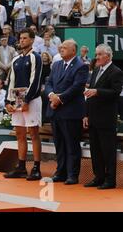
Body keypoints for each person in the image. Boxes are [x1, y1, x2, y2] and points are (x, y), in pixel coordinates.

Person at [45, 40, 89, 185]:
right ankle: (60, 172)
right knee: (59, 144)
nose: (61, 49)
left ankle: (72, 174)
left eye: (64, 48)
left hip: (71, 112)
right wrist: (52, 96)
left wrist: (60, 99)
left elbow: (77, 87)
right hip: (55, 110)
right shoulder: (56, 64)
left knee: (71, 144)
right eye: (61, 47)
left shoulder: (81, 66)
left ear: (73, 51)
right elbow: (49, 83)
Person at [4, 28, 43, 181]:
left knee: (33, 133)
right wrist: (8, 101)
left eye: (25, 38)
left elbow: (36, 81)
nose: (22, 40)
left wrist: (27, 101)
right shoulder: (15, 59)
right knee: (20, 133)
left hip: (32, 100)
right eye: (20, 38)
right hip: (17, 100)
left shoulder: (36, 57)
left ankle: (36, 168)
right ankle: (21, 167)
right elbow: (11, 82)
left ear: (32, 40)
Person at [83, 44, 123, 190]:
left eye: (100, 54)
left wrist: (97, 91)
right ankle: (98, 177)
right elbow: (89, 94)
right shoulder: (95, 71)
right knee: (95, 150)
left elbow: (115, 92)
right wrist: (86, 115)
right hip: (93, 117)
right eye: (96, 54)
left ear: (108, 56)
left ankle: (110, 180)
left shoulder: (116, 71)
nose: (97, 57)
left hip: (106, 119)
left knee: (108, 151)